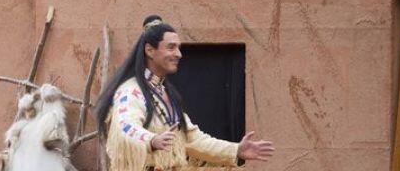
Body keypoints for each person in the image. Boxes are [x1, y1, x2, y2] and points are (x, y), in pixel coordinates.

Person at [95, 15, 275, 170]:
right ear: (150, 50)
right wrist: (151, 140)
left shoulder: (165, 95)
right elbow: (125, 126)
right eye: (171, 47)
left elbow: (194, 140)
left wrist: (236, 150)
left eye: (178, 47)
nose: (179, 54)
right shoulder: (130, 91)